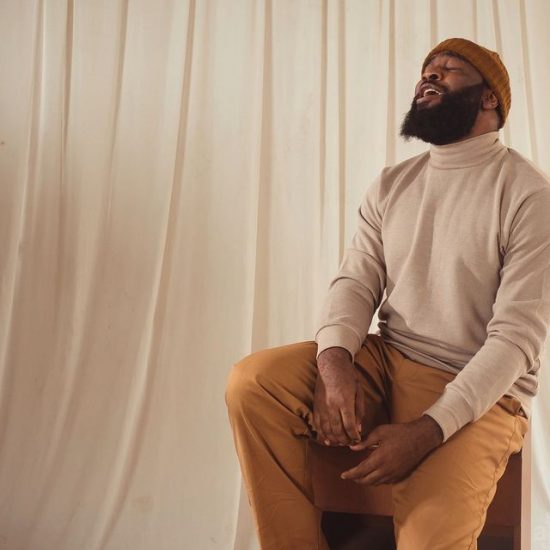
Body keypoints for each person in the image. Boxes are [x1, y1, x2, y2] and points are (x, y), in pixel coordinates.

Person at [225, 37, 550, 549]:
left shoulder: (529, 194)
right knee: (255, 383)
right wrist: (335, 365)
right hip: (387, 360)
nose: (430, 75)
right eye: (427, 69)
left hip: (478, 386)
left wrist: (428, 430)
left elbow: (517, 339)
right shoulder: (392, 183)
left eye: (449, 68)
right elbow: (355, 282)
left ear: (490, 97)